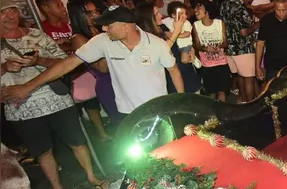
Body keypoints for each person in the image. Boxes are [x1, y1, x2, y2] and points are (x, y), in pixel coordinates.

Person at [1, 1, 108, 189]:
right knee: (42, 150)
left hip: (56, 98)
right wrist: (4, 68)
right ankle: (57, 188)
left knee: (77, 140)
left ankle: (92, 176)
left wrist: (39, 60)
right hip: (21, 107)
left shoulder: (36, 35)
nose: (10, 16)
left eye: (13, 11)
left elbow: (65, 62)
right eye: (4, 12)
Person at [4, 6, 184, 121]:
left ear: (126, 27)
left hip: (158, 109)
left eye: (109, 26)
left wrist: (182, 102)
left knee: (165, 152)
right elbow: (68, 64)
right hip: (126, 113)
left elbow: (174, 71)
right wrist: (28, 86)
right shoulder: (103, 41)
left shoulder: (157, 44)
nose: (104, 29)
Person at [67, 0, 117, 137]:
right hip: (107, 84)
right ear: (79, 16)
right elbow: (102, 67)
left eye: (96, 11)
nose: (96, 15)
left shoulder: (101, 31)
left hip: (121, 79)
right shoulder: (79, 38)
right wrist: (110, 39)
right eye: (90, 13)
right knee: (122, 123)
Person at [135, 2, 201, 95]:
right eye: (157, 14)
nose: (161, 15)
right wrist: (176, 31)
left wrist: (191, 49)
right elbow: (162, 50)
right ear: (148, 18)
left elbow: (180, 43)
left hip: (184, 69)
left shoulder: (162, 27)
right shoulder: (145, 37)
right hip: (170, 77)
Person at [220, 0, 258, 103]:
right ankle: (249, 106)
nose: (249, 0)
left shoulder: (224, 4)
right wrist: (258, 24)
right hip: (243, 48)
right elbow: (244, 32)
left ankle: (242, 101)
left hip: (230, 48)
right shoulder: (240, 8)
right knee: (249, 79)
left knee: (239, 76)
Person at [192, 0, 230, 101]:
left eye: (199, 8)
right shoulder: (196, 25)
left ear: (207, 10)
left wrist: (217, 46)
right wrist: (205, 48)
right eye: (195, 7)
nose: (195, 10)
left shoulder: (219, 23)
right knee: (211, 93)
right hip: (207, 65)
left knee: (222, 91)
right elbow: (197, 45)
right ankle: (212, 115)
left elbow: (225, 42)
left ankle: (222, 114)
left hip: (221, 63)